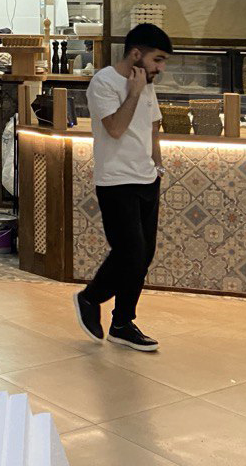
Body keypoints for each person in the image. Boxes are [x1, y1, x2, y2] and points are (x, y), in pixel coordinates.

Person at [73, 23, 173, 352]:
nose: (160, 68)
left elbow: (153, 127)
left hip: (147, 178)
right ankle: (89, 298)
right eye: (157, 59)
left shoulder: (148, 84)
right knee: (130, 253)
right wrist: (133, 93)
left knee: (143, 256)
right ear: (136, 54)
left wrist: (158, 168)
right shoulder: (104, 82)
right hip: (116, 181)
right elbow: (115, 129)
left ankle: (122, 323)